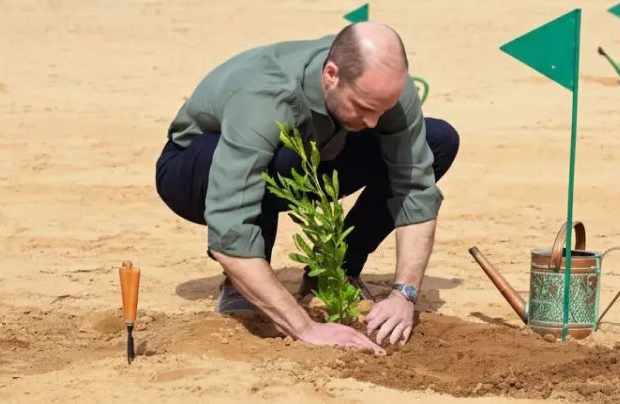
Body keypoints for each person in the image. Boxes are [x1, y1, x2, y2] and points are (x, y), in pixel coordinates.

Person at [154, 21, 459, 354]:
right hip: (195, 167)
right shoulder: (267, 94)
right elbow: (229, 227)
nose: (374, 122)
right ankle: (241, 284)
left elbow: (415, 189)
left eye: (382, 110)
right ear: (331, 75)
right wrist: (305, 327)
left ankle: (334, 272)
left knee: (437, 140)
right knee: (278, 162)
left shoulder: (387, 89)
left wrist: (405, 294)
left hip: (313, 154)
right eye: (364, 107)